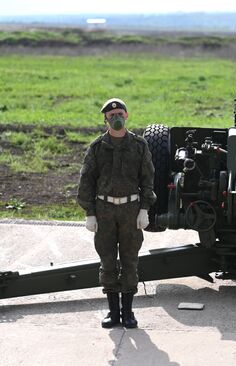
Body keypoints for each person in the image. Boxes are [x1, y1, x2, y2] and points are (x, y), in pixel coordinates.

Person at [77, 98, 156, 329]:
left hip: (131, 210)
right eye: (111, 116)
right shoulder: (97, 147)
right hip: (104, 210)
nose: (116, 118)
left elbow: (148, 179)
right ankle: (113, 313)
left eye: (119, 113)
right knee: (108, 260)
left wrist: (144, 209)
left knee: (130, 260)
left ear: (127, 115)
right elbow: (86, 181)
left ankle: (128, 313)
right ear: (105, 119)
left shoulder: (140, 146)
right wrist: (89, 213)